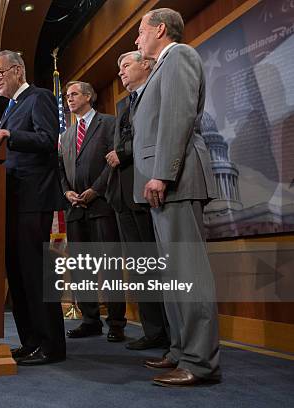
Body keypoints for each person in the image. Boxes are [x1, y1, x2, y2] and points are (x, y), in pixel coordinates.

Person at [132, 8, 220, 386]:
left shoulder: (180, 56)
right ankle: (182, 350)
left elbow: (178, 117)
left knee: (189, 274)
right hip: (165, 183)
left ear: (160, 29)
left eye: (140, 32)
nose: (137, 41)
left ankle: (200, 362)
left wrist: (162, 174)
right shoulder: (160, 67)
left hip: (176, 180)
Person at [0, 50, 67, 365]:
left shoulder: (38, 97)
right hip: (13, 201)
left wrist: (9, 134)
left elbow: (47, 140)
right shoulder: (10, 108)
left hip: (34, 200)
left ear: (17, 70)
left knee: (34, 275)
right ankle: (30, 342)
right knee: (17, 277)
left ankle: (51, 345)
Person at [105, 51, 170, 350]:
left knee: (154, 267)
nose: (121, 72)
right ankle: (153, 330)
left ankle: (168, 332)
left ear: (146, 64)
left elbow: (156, 134)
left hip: (147, 193)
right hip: (123, 196)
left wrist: (124, 153)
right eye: (119, 68)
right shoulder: (125, 105)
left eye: (125, 64)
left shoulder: (157, 92)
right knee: (140, 269)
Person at [58, 81, 126, 343]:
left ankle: (117, 323)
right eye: (66, 96)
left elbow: (113, 160)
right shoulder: (65, 135)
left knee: (109, 267)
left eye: (74, 94)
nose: (69, 99)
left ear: (88, 96)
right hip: (75, 209)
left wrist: (96, 190)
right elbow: (61, 170)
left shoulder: (109, 123)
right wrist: (67, 193)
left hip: (102, 204)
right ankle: (90, 320)